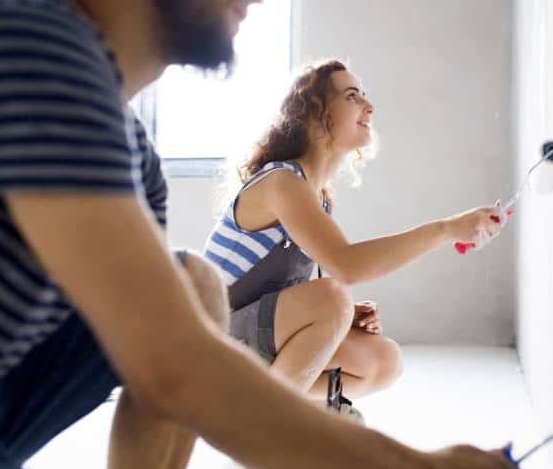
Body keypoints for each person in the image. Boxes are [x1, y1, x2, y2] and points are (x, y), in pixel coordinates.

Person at [0, 0, 531, 469]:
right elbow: (175, 362)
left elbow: (169, 348)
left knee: (187, 282)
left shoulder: (134, 160)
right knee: (191, 323)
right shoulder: (22, 42)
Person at [204, 60, 511, 419]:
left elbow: (299, 295)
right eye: (352, 96)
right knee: (333, 298)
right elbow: (346, 267)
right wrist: (446, 229)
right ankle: (268, 427)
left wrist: (339, 321)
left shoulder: (316, 198)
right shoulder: (281, 183)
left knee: (384, 361)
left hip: (249, 339)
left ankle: (261, 407)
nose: (370, 106)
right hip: (211, 346)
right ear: (315, 112)